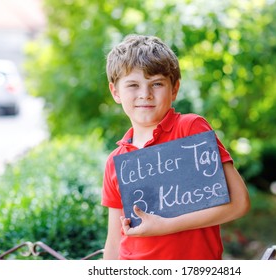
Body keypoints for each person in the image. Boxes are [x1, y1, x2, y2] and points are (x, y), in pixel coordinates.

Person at [101, 34, 250, 260]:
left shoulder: (190, 129)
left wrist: (166, 225)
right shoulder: (115, 161)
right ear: (115, 92)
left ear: (174, 89)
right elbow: (114, 241)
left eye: (157, 84)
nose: (145, 94)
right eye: (133, 85)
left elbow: (239, 203)